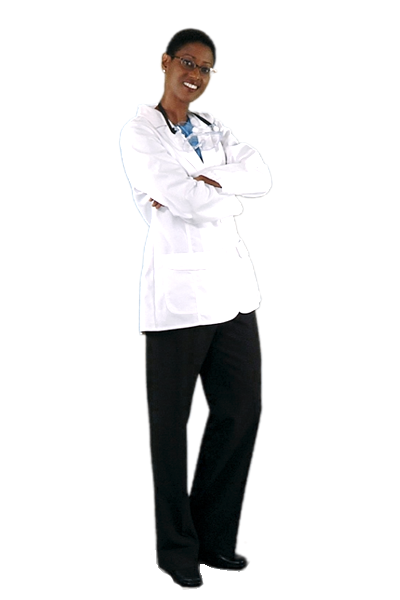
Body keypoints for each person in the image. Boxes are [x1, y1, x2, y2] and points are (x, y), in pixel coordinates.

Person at [119, 27, 273, 590]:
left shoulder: (215, 128)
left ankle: (215, 537)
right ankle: (175, 549)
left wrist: (212, 182)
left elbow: (261, 176)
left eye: (206, 68)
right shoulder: (140, 133)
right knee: (170, 428)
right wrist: (221, 194)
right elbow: (182, 197)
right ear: (165, 62)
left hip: (234, 295)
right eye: (188, 62)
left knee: (241, 412)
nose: (196, 75)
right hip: (178, 300)